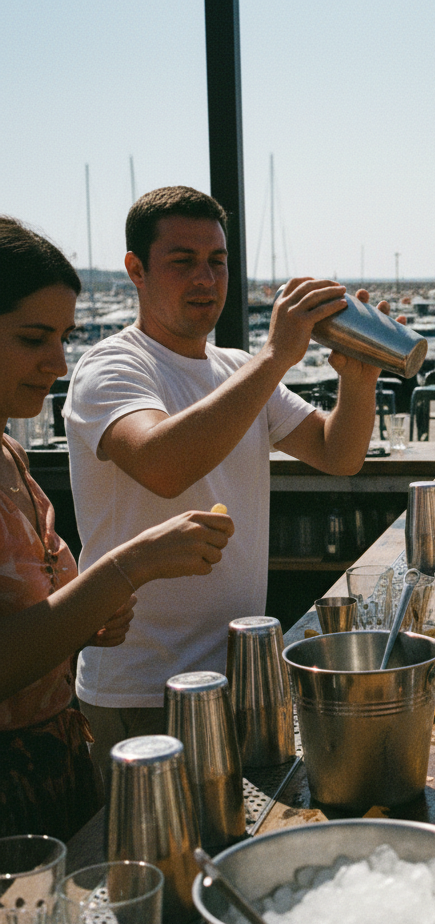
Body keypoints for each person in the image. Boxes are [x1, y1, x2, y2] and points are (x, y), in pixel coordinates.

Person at [64, 186, 388, 777]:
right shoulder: (112, 365)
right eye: (182, 261)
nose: (205, 279)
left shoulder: (236, 368)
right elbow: (163, 466)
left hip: (239, 677)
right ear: (136, 270)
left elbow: (337, 453)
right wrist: (276, 357)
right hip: (143, 690)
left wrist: (358, 378)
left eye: (216, 261)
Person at [0, 217, 232, 839]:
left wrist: (82, 621)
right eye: (32, 338)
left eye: (64, 337)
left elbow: (32, 620)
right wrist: (134, 564)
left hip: (54, 768)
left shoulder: (10, 455)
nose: (57, 362)